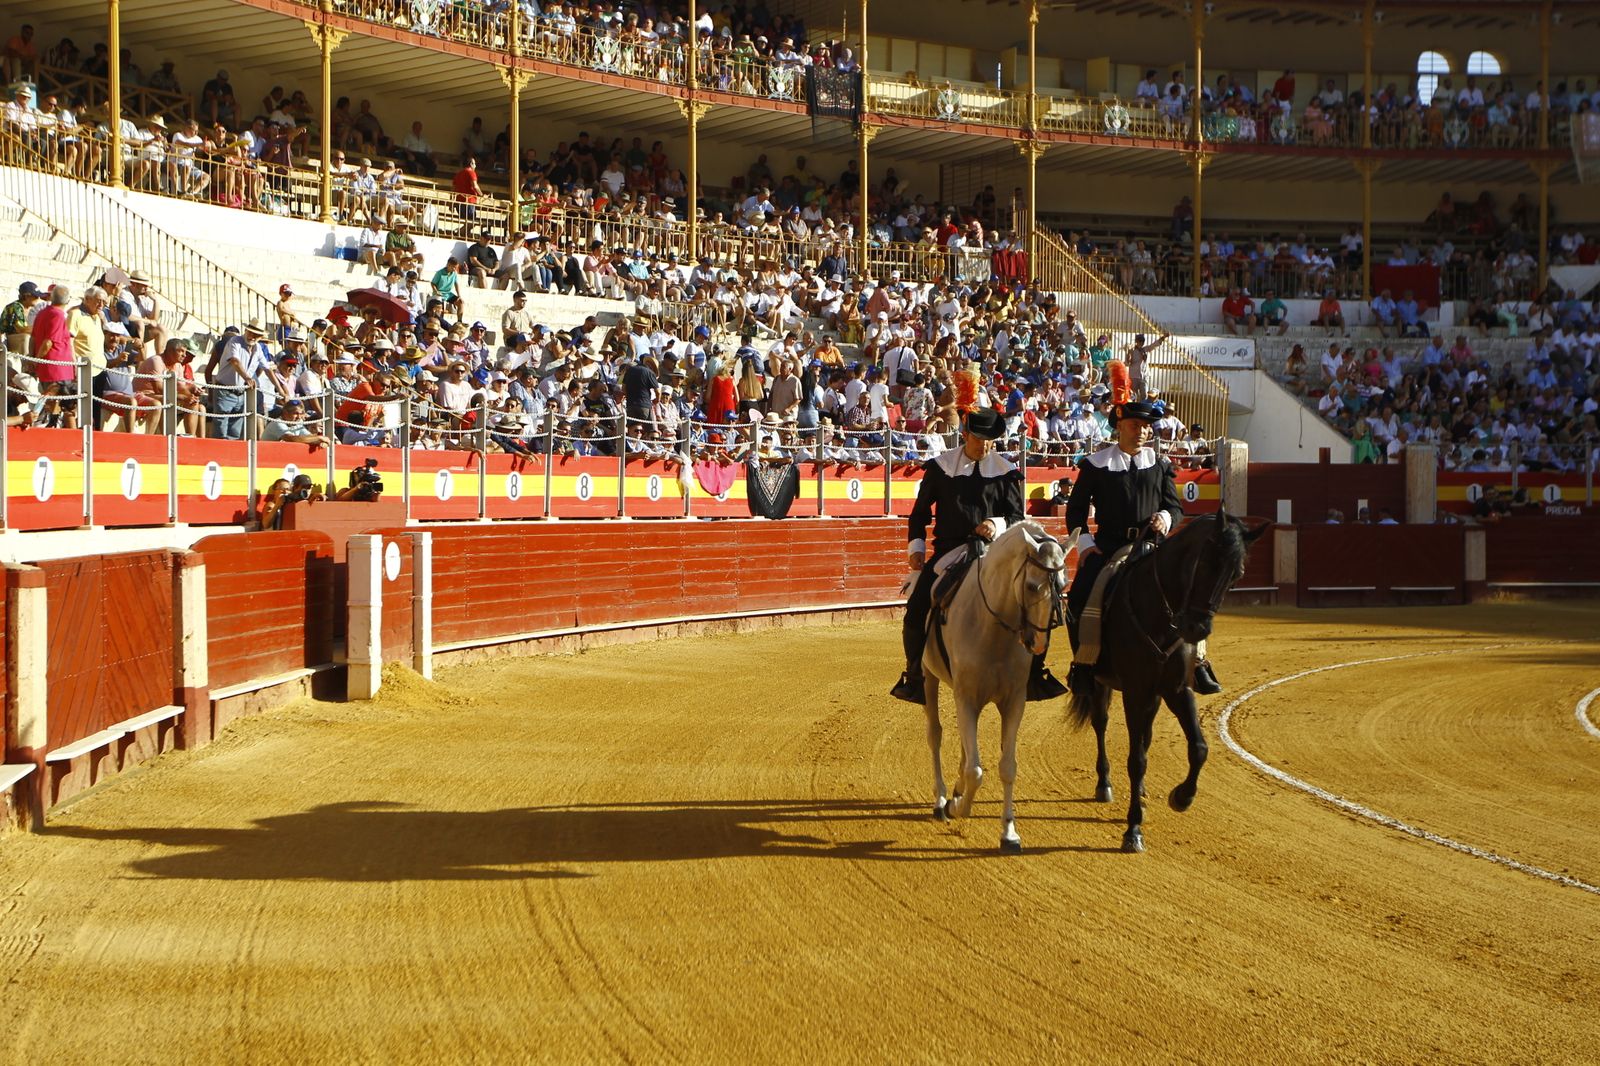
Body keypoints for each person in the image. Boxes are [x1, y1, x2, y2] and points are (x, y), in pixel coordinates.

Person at [1063, 362, 1220, 695]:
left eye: (1147, 426)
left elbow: (1175, 507)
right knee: (1079, 597)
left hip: (1154, 547)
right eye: (1136, 425)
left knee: (1194, 592)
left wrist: (1166, 517)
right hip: (1109, 548)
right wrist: (1088, 546)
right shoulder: (1095, 465)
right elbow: (1076, 512)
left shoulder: (1159, 464)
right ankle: (1083, 665)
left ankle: (1199, 663)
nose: (1143, 431)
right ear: (1120, 426)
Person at [891, 407, 1065, 705]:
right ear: (965, 435)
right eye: (978, 438)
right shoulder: (941, 468)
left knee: (1037, 602)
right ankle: (914, 675)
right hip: (949, 552)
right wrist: (916, 549)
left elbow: (1016, 517)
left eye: (990, 440)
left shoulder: (1005, 472)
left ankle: (1036, 673)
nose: (984, 445)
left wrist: (995, 524)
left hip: (995, 551)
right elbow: (918, 515)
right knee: (918, 605)